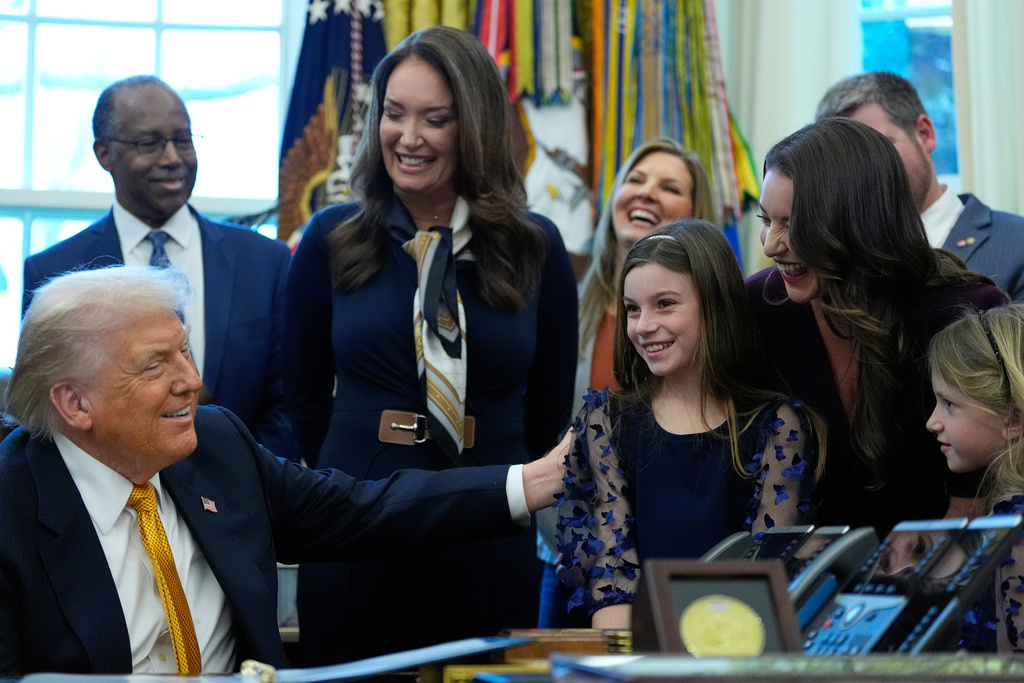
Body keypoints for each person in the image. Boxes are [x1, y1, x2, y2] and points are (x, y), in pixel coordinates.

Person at [0, 266, 566, 677]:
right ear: (74, 404)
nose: (190, 381)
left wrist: (535, 480)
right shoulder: (12, 507)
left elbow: (358, 512)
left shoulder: (216, 446)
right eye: (155, 365)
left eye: (184, 352)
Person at [283, 26, 577, 664]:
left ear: (472, 128)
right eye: (393, 114)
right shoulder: (331, 237)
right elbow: (299, 392)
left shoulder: (536, 246)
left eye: (434, 119)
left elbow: (552, 402)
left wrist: (506, 469)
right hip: (355, 517)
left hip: (492, 516)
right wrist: (346, 472)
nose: (407, 137)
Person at [556, 220, 823, 630]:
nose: (643, 325)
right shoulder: (608, 422)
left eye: (665, 304)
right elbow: (614, 578)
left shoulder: (775, 425)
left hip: (735, 647)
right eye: (632, 308)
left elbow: (763, 575)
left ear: (715, 305)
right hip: (636, 651)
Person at [747, 117, 1006, 539]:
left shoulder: (961, 312)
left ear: (857, 222)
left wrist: (930, 563)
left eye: (793, 224)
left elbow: (985, 479)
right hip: (806, 574)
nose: (771, 244)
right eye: (766, 219)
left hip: (944, 561)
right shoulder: (759, 305)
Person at [21, 75, 297, 462]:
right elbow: (52, 412)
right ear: (104, 153)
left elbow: (288, 401)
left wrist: (246, 480)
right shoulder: (56, 271)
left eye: (183, 140)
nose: (172, 158)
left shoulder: (264, 261)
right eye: (149, 143)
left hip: (242, 499)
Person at [536, 138, 715, 627]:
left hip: (674, 563)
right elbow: (541, 433)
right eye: (635, 180)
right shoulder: (566, 309)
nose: (646, 193)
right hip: (569, 560)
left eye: (669, 187)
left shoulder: (713, 328)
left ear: (695, 213)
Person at [816, 71, 1024, 301]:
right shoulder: (835, 262)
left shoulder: (1016, 243)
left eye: (879, 150)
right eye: (846, 162)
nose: (863, 172)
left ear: (925, 134)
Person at [925, 303, 1024, 653]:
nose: (932, 422)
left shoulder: (1016, 535)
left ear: (1013, 419)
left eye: (949, 404)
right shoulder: (1004, 515)